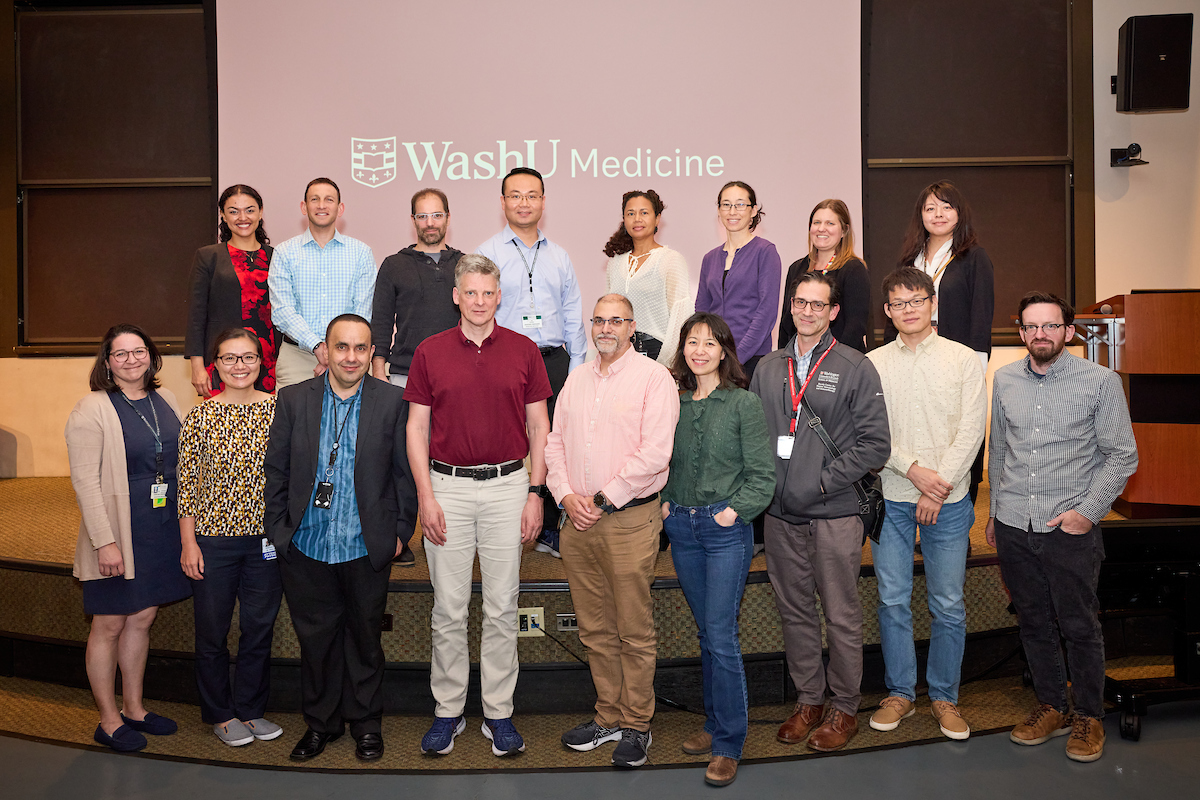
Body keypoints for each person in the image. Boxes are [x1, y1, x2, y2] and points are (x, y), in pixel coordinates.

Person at [405, 254, 552, 758]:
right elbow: (416, 429)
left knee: (501, 607)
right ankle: (448, 712)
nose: (479, 301)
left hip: (509, 487)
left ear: (499, 296)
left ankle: (498, 714)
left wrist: (536, 493)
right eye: (470, 292)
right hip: (446, 488)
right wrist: (426, 496)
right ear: (456, 296)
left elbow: (539, 429)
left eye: (488, 293)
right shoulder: (429, 351)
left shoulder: (525, 350)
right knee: (447, 608)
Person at [986, 291, 1137, 763]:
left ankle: (1089, 716)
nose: (1040, 335)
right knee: (1032, 620)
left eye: (1050, 326)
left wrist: (1088, 511)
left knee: (1078, 624)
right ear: (1021, 331)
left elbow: (1122, 454)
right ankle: (1050, 706)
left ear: (1068, 332)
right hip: (1014, 522)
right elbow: (1001, 451)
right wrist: (994, 512)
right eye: (1030, 327)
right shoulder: (1005, 379)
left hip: (1068, 525)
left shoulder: (1101, 381)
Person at [264, 314, 417, 763]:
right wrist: (280, 530)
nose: (351, 357)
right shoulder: (293, 399)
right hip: (307, 543)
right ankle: (321, 724)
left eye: (360, 348)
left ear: (372, 354)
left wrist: (399, 534)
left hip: (365, 544)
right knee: (316, 641)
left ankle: (367, 725)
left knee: (365, 639)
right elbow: (276, 470)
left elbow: (404, 475)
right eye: (342, 347)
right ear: (326, 351)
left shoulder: (393, 400)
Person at [749, 271, 889, 753]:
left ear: (833, 312)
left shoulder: (853, 366)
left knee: (841, 613)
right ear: (791, 307)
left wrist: (821, 481)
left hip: (833, 514)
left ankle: (844, 707)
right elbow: (758, 439)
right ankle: (809, 700)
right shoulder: (768, 367)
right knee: (795, 612)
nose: (807, 312)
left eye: (818, 305)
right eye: (800, 303)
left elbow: (876, 446)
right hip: (781, 516)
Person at [547, 294, 680, 769]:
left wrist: (601, 501)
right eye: (599, 320)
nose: (605, 328)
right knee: (594, 629)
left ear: (631, 326)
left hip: (626, 520)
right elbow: (554, 443)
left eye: (615, 320)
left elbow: (654, 454)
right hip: (577, 520)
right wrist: (565, 496)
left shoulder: (654, 378)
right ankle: (608, 716)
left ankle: (637, 725)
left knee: (633, 629)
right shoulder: (576, 378)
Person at [865, 268, 986, 740]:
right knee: (892, 600)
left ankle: (944, 697)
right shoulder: (872, 363)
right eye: (898, 303)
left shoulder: (961, 360)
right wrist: (914, 471)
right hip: (892, 499)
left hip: (950, 502)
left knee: (948, 603)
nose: (908, 309)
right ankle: (900, 694)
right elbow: (871, 433)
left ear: (932, 303)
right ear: (888, 311)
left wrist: (940, 487)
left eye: (917, 300)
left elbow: (972, 429)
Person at [65, 324, 192, 752]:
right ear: (107, 362)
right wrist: (105, 542)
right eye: (120, 354)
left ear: (152, 357)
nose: (131, 360)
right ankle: (108, 719)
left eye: (139, 351)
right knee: (110, 623)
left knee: (142, 618)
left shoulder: (167, 399)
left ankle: (135, 709)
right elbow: (85, 483)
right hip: (119, 528)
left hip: (160, 527)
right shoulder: (91, 409)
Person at [661, 312, 774, 787]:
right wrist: (666, 503)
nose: (699, 350)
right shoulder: (674, 401)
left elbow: (762, 475)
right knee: (707, 633)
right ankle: (712, 723)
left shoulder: (743, 403)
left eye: (710, 343)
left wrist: (734, 512)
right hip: (682, 529)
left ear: (725, 350)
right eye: (692, 342)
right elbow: (660, 456)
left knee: (722, 636)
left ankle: (729, 741)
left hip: (725, 530)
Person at [177, 327, 283, 747]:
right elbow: (187, 486)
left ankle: (252, 710)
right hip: (213, 542)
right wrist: (189, 543)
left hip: (265, 543)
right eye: (229, 358)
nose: (240, 366)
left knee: (259, 628)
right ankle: (221, 713)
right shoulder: (200, 416)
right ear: (215, 366)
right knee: (212, 630)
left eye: (248, 358)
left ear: (261, 363)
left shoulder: (280, 411)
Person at [477, 166, 586, 560]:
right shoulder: (487, 252)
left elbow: (573, 313)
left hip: (554, 360)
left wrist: (577, 368)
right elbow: (478, 310)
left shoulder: (559, 255)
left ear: (543, 201)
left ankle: (550, 526)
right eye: (516, 195)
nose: (524, 202)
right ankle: (500, 523)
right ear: (503, 201)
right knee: (503, 441)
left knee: (554, 443)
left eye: (532, 195)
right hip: (503, 359)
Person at [893, 181, 995, 502]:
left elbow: (981, 316)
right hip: (912, 361)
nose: (938, 214)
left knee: (958, 436)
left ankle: (959, 516)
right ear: (920, 215)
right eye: (930, 208)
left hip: (955, 365)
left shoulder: (974, 257)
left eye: (946, 206)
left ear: (959, 213)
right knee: (919, 432)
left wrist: (975, 370)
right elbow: (893, 311)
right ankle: (918, 501)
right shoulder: (911, 260)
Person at [269, 178, 376, 390]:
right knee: (295, 423)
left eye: (329, 200)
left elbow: (362, 311)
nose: (321, 205)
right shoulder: (284, 252)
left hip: (350, 358)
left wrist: (337, 352)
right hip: (297, 358)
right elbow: (282, 311)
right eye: (314, 199)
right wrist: (318, 347)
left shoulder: (361, 253)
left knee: (353, 423)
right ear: (303, 206)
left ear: (340, 208)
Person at [186, 184, 278, 396]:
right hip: (224, 361)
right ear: (223, 215)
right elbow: (196, 316)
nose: (242, 217)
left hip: (268, 360)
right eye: (233, 211)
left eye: (249, 210)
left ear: (260, 212)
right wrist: (197, 367)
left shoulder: (277, 256)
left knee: (268, 425)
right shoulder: (209, 257)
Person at [370, 187, 463, 392]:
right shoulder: (393, 265)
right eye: (423, 216)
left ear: (448, 218)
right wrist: (378, 371)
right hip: (406, 373)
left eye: (437, 215)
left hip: (459, 372)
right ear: (413, 220)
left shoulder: (465, 264)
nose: (430, 223)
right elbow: (381, 323)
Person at [696, 180, 782, 380]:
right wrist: (709, 352)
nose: (732, 211)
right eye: (726, 204)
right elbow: (702, 311)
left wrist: (736, 357)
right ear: (719, 211)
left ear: (753, 211)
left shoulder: (765, 252)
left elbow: (766, 312)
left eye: (740, 204)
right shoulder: (709, 258)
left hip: (752, 360)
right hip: (714, 359)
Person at [603, 189, 693, 366]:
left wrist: (667, 364)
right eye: (631, 213)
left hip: (657, 353)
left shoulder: (670, 260)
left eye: (644, 213)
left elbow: (681, 319)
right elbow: (608, 313)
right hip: (619, 353)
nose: (637, 219)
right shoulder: (615, 262)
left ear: (657, 218)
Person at [778, 199, 870, 353]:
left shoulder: (853, 269)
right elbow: (786, 324)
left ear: (844, 230)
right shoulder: (796, 268)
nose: (821, 229)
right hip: (798, 361)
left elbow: (855, 328)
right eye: (816, 223)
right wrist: (783, 359)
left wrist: (830, 362)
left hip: (840, 363)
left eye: (830, 224)